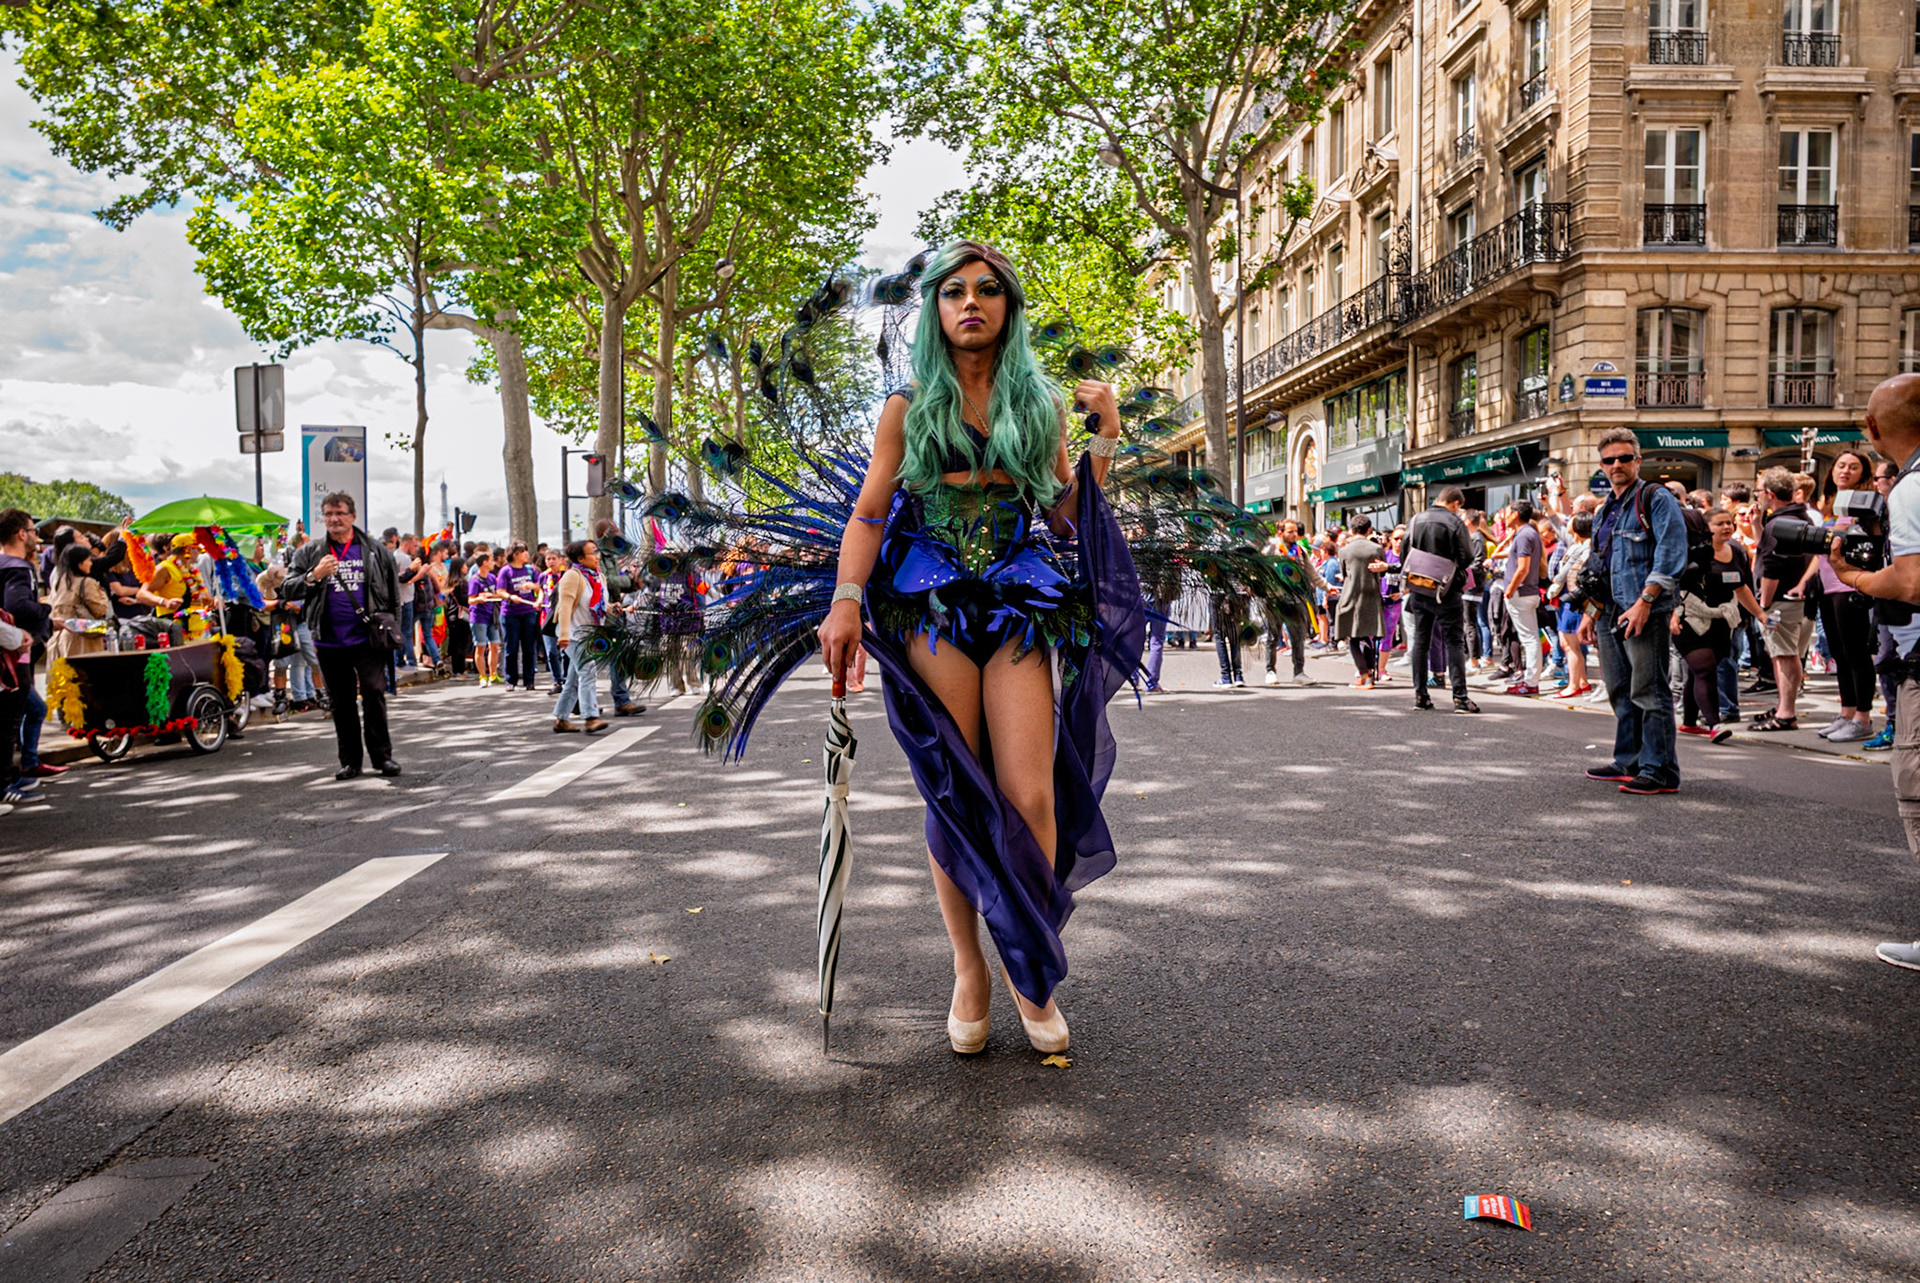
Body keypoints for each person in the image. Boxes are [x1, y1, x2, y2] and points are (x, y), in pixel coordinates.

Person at [814, 239, 1141, 1057]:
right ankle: (971, 969)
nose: (971, 302)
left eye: (987, 290)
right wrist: (846, 602)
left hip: (1023, 595)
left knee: (1030, 793)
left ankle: (1030, 965)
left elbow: (1067, 516)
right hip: (930, 598)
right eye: (954, 291)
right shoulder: (908, 405)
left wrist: (1104, 435)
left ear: (1008, 306)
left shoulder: (1038, 405)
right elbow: (867, 515)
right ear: (935, 309)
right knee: (954, 791)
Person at [1825, 374, 1920, 969]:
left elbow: (1912, 581)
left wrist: (1856, 576)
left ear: (1876, 430)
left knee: (1917, 789)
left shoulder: (1910, 489)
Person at [1578, 428, 1688, 795]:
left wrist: (1646, 601)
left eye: (1625, 458)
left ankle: (1660, 770)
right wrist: (1590, 612)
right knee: (1620, 689)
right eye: (1610, 460)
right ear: (1601, 465)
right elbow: (1600, 566)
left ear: (1638, 460)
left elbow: (1670, 554)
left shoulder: (1655, 498)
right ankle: (1629, 760)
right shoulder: (1605, 508)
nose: (1617, 465)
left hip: (1644, 608)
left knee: (1650, 691)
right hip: (1610, 609)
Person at [283, 491, 403, 780]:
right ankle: (350, 761)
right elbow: (288, 588)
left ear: (353, 516)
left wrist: (394, 634)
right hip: (327, 639)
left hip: (368, 638)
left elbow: (393, 595)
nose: (334, 519)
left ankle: (382, 757)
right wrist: (314, 575)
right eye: (328, 514)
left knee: (374, 694)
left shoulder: (376, 550)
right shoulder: (309, 553)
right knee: (342, 701)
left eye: (339, 513)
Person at [1671, 508, 1765, 744]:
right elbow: (1669, 583)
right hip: (1689, 618)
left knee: (1698, 672)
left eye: (1729, 523)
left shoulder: (1737, 551)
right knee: (1705, 669)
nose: (1727, 527)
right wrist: (1670, 614)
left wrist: (1760, 614)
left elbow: (1741, 588)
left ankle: (1690, 722)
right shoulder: (1690, 552)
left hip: (1722, 620)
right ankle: (1715, 724)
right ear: (1706, 528)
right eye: (1720, 523)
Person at [1812, 449, 1879, 743]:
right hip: (1827, 586)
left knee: (1856, 653)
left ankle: (1863, 717)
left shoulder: (1865, 506)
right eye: (1841, 466)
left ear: (1863, 474)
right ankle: (1847, 712)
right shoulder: (1829, 505)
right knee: (1840, 653)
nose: (1845, 471)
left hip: (1851, 586)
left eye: (1853, 467)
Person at [1750, 467, 1818, 732]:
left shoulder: (1779, 524)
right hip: (1800, 600)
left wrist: (1763, 606)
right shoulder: (1802, 517)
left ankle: (1786, 713)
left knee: (1785, 657)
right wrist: (1758, 526)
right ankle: (1783, 707)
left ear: (1769, 493)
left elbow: (1770, 567)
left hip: (1780, 601)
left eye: (1759, 492)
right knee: (1788, 656)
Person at [1405, 486, 1478, 712]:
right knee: (1454, 641)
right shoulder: (1455, 523)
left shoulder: (1415, 519)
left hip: (1419, 586)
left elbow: (1403, 553)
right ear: (1455, 503)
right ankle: (1460, 698)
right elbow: (1466, 557)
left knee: (1421, 640)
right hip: (1446, 588)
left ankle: (1420, 696)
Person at [0, 509, 51, 804]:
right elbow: (17, 605)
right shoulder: (18, 567)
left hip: (9, 654)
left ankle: (17, 775)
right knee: (9, 722)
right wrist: (46, 609)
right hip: (13, 655)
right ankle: (7, 783)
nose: (35, 536)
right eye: (33, 531)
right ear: (21, 534)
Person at [552, 539, 610, 734]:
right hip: (573, 635)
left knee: (574, 678)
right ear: (580, 558)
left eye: (597, 551)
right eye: (592, 552)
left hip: (589, 636)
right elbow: (566, 606)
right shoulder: (572, 576)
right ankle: (590, 717)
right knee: (588, 670)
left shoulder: (599, 577)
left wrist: (615, 609)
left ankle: (561, 719)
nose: (597, 556)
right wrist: (564, 635)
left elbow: (599, 603)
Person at [1547, 512, 1596, 700]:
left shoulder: (1585, 547)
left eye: (1572, 517)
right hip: (1568, 598)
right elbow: (1559, 525)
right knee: (1566, 643)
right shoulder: (1577, 543)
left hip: (1575, 600)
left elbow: (1566, 573)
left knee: (1569, 645)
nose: (1568, 519)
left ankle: (1573, 684)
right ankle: (1581, 681)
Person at [1334, 517, 1387, 689]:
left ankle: (1364, 675)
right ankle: (1370, 672)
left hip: (1351, 595)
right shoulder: (1377, 548)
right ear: (1369, 529)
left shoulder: (1344, 550)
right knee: (1367, 636)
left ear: (1351, 529)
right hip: (1371, 595)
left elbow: (1344, 573)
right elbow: (1383, 572)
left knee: (1354, 637)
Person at [1501, 499, 1546, 695]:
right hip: (1527, 592)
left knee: (1529, 639)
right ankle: (1531, 679)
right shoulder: (1527, 533)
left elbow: (1523, 567)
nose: (1504, 516)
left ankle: (1531, 682)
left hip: (1521, 592)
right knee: (1531, 637)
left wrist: (1510, 589)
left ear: (1515, 515)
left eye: (1508, 512)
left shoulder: (1524, 535)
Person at [47, 541, 111, 660]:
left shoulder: (59, 582)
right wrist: (102, 594)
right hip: (83, 641)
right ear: (79, 563)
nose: (91, 563)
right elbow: (100, 610)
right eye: (89, 560)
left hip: (59, 639)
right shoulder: (87, 583)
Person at [496, 541, 542, 691]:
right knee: (512, 647)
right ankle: (511, 679)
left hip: (528, 612)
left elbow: (539, 588)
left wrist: (534, 591)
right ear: (515, 554)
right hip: (510, 614)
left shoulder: (530, 570)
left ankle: (529, 679)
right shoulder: (505, 571)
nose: (526, 554)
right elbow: (500, 591)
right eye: (523, 552)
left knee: (529, 647)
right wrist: (510, 597)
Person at [467, 550, 504, 685]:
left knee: (494, 645)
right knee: (480, 646)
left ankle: (493, 673)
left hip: (491, 616)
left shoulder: (492, 578)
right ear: (484, 562)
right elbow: (470, 600)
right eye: (491, 560)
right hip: (478, 616)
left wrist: (491, 596)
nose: (493, 563)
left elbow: (498, 594)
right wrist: (479, 599)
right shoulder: (474, 580)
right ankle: (482, 676)